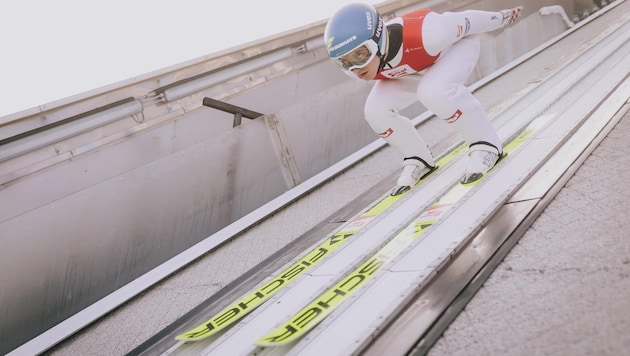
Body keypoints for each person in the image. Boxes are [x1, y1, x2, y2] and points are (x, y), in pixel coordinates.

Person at [324, 3, 523, 195]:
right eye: (344, 62)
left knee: (433, 92)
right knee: (375, 112)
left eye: (360, 54)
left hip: (453, 49)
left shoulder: (429, 32)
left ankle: (486, 144)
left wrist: (503, 18)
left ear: (378, 39)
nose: (355, 68)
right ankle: (417, 158)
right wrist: (360, 59)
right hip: (411, 67)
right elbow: (367, 66)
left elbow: (468, 19)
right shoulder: (360, 68)